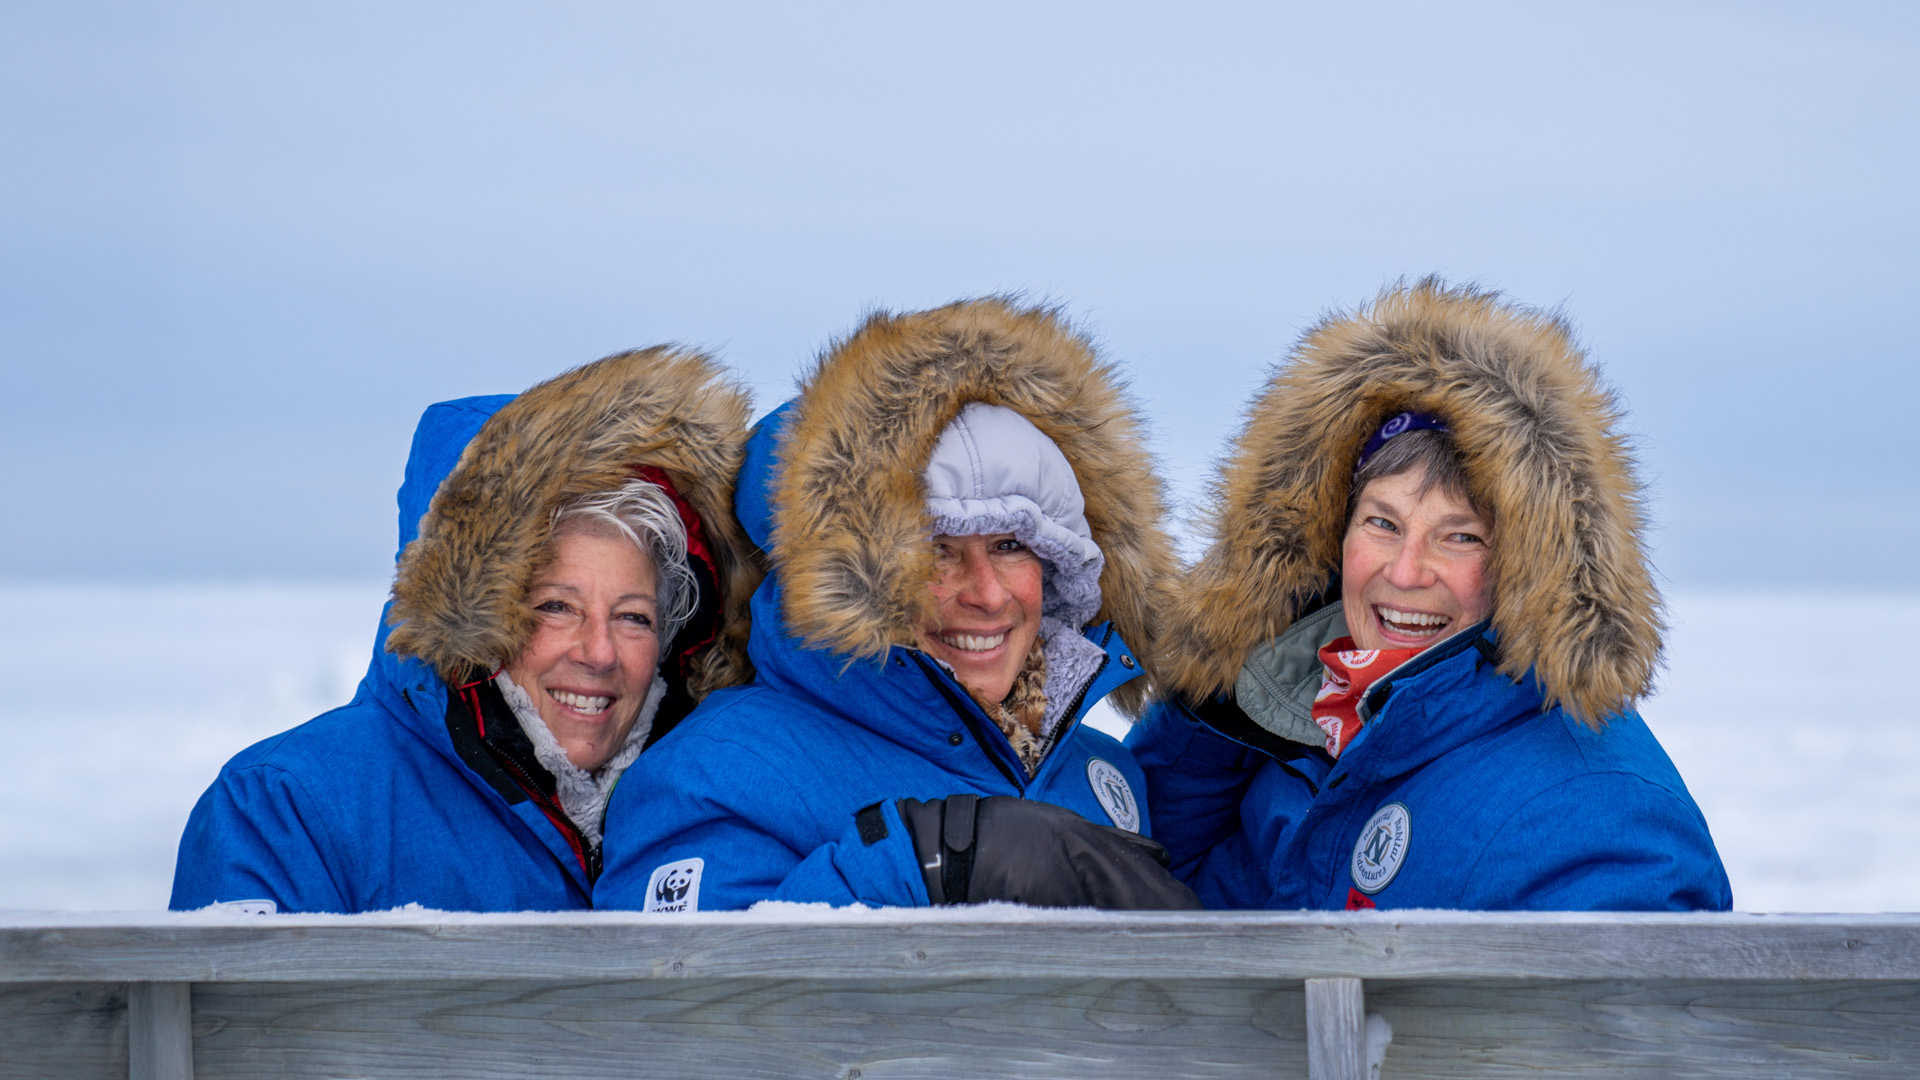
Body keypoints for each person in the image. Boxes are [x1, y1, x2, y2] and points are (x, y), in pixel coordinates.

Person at [1128, 279, 1732, 911]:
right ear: (1332, 536)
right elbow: (1154, 889)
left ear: (1530, 566)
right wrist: (1220, 695)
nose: (1408, 571)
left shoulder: (1604, 820)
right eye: (1382, 524)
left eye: (1460, 537)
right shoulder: (1296, 723)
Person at [595, 298, 1200, 911]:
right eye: (936, 550)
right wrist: (931, 862)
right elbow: (680, 992)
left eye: (1011, 545)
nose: (987, 593)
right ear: (852, 581)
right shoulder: (714, 772)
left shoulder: (1103, 775)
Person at [170, 348, 759, 913]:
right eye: (556, 606)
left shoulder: (710, 808)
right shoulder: (285, 810)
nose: (600, 652)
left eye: (634, 617)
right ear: (476, 613)